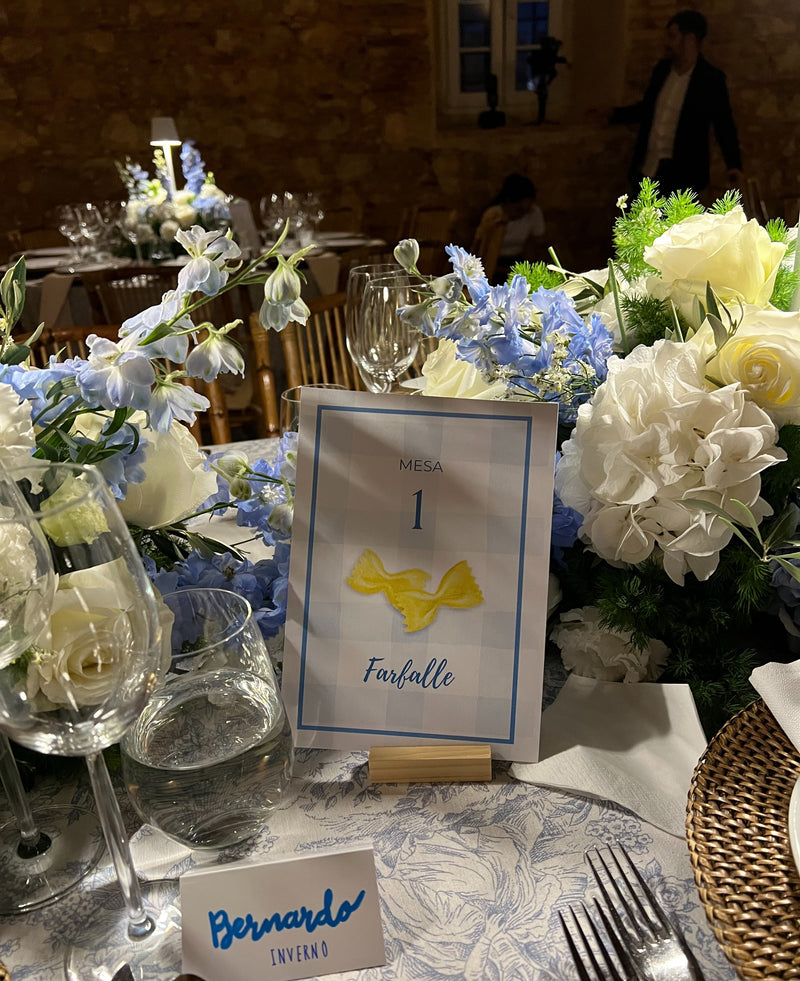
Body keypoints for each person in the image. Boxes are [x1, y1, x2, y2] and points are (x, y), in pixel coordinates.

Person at [612, 10, 743, 197]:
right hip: (648, 171)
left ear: (689, 40)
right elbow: (648, 109)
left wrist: (734, 165)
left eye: (672, 37)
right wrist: (613, 114)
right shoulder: (662, 70)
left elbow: (724, 124)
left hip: (682, 179)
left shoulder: (710, 79)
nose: (666, 43)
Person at [475, 174, 545, 279]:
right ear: (508, 202)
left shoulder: (533, 213)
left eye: (526, 210)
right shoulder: (493, 215)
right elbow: (481, 248)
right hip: (493, 265)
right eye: (519, 209)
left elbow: (540, 245)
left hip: (518, 263)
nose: (522, 214)